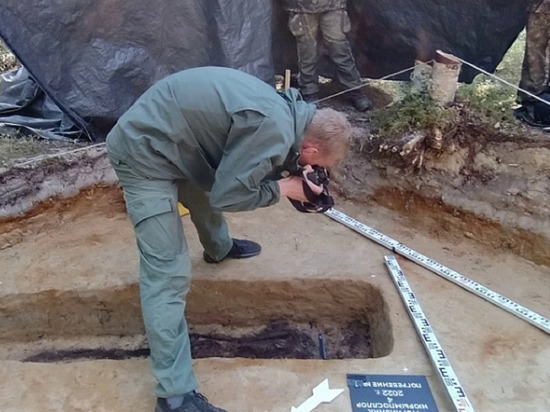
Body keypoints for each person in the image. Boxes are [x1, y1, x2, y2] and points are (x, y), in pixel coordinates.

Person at [105, 66, 351, 412]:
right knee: (167, 274)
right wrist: (283, 188)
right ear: (310, 149)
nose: (317, 172)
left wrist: (291, 172)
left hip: (175, 140)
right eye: (319, 165)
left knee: (204, 190)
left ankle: (218, 248)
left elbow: (239, 162)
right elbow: (229, 195)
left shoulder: (291, 109)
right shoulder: (275, 130)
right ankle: (174, 397)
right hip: (142, 153)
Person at [282, 0, 371, 111]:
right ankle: (309, 92)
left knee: (340, 51)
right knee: (307, 53)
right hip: (301, 7)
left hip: (333, 5)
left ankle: (354, 91)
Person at [516, 0, 550, 124]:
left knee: (537, 59)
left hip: (542, 9)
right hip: (541, 8)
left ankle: (534, 106)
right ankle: (534, 105)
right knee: (536, 58)